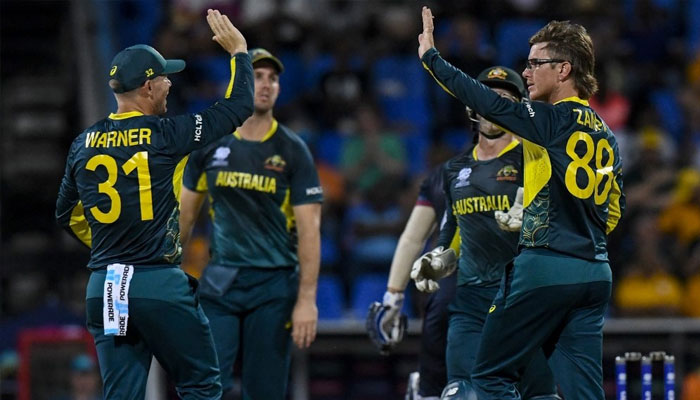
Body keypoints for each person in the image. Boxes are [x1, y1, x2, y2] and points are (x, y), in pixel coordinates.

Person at [416, 7, 624, 399]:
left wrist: (432, 59)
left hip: (543, 269)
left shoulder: (549, 119)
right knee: (585, 393)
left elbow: (489, 103)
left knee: (491, 376)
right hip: (595, 273)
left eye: (534, 64)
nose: (526, 73)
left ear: (563, 70)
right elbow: (613, 211)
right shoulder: (607, 136)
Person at [55, 9, 253, 399]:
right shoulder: (166, 134)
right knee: (201, 385)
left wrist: (111, 243)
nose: (168, 84)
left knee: (122, 394)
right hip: (157, 282)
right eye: (164, 78)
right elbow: (236, 108)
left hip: (106, 284)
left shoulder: (83, 143)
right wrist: (240, 54)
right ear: (147, 87)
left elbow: (66, 213)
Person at [179, 47, 323, 400]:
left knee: (265, 392)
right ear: (239, 81)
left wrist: (307, 300)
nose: (266, 84)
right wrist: (163, 273)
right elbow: (183, 218)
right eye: (257, 76)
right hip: (221, 282)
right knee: (205, 385)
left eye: (272, 78)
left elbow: (310, 230)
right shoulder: (211, 143)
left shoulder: (292, 150)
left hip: (273, 285)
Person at [409, 66, 558, 400]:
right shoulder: (455, 170)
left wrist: (531, 220)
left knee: (539, 395)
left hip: (524, 301)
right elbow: (452, 236)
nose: (493, 106)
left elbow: (563, 223)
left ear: (518, 108)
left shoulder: (534, 157)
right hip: (471, 303)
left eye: (503, 99)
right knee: (460, 392)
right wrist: (436, 262)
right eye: (487, 98)